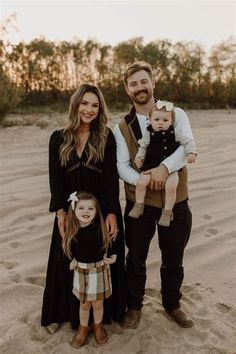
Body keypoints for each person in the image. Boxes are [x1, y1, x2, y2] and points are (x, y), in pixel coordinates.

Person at [114, 61, 195, 329]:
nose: (140, 87)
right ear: (127, 89)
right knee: (135, 258)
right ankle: (134, 307)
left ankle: (172, 304)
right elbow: (122, 165)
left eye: (143, 81)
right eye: (134, 83)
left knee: (174, 256)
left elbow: (186, 146)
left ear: (153, 83)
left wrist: (164, 168)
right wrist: (145, 180)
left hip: (176, 200)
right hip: (140, 203)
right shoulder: (122, 127)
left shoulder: (176, 113)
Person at [41, 84, 126, 334]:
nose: (89, 109)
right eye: (85, 103)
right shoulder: (59, 137)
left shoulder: (105, 136)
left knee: (101, 260)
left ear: (100, 110)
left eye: (95, 105)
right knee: (63, 258)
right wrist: (60, 211)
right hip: (70, 211)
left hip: (100, 210)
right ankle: (60, 313)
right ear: (76, 104)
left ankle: (105, 316)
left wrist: (111, 212)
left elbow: (111, 178)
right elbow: (55, 178)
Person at [128, 100, 197, 226]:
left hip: (171, 169)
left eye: (165, 120)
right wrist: (139, 158)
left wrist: (191, 152)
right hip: (150, 165)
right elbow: (142, 147)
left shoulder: (174, 132)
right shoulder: (148, 133)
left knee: (171, 186)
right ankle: (139, 204)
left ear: (171, 121)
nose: (160, 123)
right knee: (141, 182)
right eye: (157, 120)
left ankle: (167, 212)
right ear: (150, 120)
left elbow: (188, 141)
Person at [63, 191, 117, 348]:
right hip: (81, 272)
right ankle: (83, 327)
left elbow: (111, 245)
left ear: (97, 211)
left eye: (90, 209)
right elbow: (67, 251)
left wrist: (113, 257)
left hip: (99, 271)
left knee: (98, 304)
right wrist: (70, 262)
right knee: (84, 304)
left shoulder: (101, 228)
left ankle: (98, 326)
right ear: (74, 210)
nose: (86, 212)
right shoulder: (72, 231)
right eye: (81, 208)